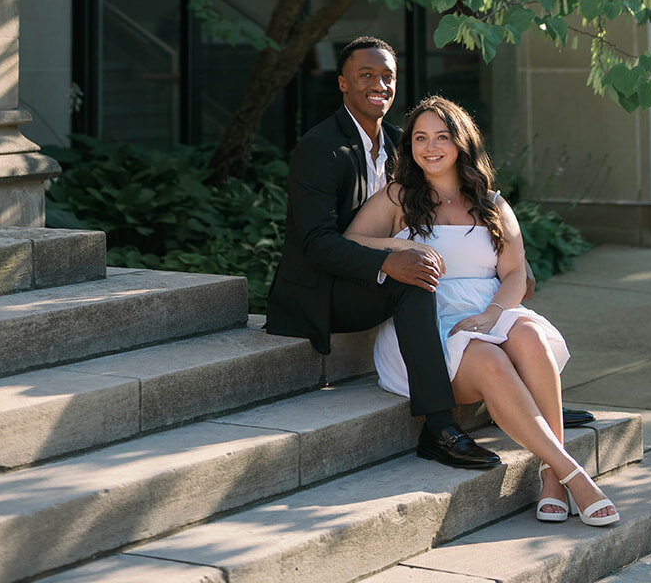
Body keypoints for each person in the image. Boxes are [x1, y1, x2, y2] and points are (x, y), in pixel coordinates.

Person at [344, 95, 619, 527]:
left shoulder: (490, 202)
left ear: (461, 143)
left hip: (491, 310)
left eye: (442, 137)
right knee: (490, 358)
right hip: (428, 324)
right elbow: (351, 241)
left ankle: (551, 476)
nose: (430, 147)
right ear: (410, 146)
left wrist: (493, 315)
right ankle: (574, 474)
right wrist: (402, 244)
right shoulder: (399, 196)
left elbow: (514, 275)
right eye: (419, 138)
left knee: (528, 335)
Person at [264, 37, 500, 469]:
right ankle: (439, 427)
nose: (379, 84)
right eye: (366, 75)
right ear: (342, 84)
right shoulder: (321, 148)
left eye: (387, 76)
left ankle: (523, 397)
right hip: (323, 291)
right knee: (414, 281)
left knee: (468, 269)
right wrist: (388, 260)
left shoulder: (400, 143)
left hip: (372, 274)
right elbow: (315, 242)